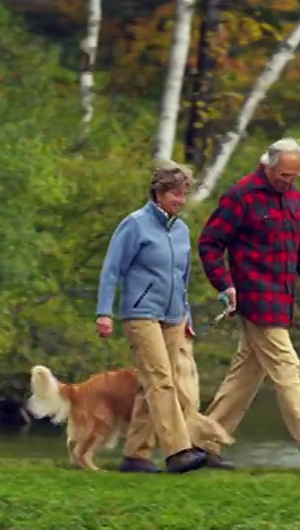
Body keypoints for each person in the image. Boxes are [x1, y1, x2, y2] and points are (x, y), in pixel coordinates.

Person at [195, 137, 300, 472]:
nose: (287, 181)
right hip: (254, 298)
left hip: (282, 299)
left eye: (294, 176)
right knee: (288, 369)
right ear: (267, 165)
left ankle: (203, 443)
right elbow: (209, 243)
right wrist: (224, 284)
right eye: (283, 175)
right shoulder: (241, 196)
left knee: (245, 376)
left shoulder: (294, 200)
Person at [96, 164, 233, 474]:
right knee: (161, 380)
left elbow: (181, 277)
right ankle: (177, 451)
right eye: (175, 194)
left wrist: (186, 316)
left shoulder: (182, 230)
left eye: (184, 194)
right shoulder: (135, 225)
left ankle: (136, 455)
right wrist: (104, 312)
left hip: (174, 315)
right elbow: (111, 270)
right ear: (158, 192)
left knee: (151, 386)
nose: (180, 200)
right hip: (141, 313)